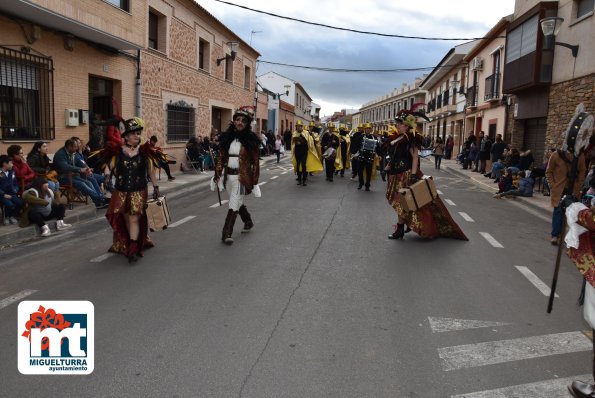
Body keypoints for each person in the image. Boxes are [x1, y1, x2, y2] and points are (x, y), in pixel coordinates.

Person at [384, 110, 467, 241]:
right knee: (401, 204)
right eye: (397, 123)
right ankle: (404, 225)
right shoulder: (396, 138)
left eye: (400, 124)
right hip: (395, 174)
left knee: (402, 204)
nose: (397, 126)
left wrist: (412, 175)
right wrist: (388, 167)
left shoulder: (411, 139)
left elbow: (415, 157)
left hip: (405, 175)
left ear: (406, 126)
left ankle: (400, 229)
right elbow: (394, 156)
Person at [92, 117, 161, 263]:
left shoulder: (144, 152)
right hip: (121, 191)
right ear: (127, 136)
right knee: (124, 218)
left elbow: (151, 172)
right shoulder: (117, 153)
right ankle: (128, 242)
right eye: (134, 133)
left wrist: (156, 187)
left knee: (134, 218)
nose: (138, 135)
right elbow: (108, 167)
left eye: (138, 133)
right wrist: (106, 178)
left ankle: (132, 249)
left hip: (138, 190)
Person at [214, 106, 261, 245]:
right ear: (234, 121)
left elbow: (256, 162)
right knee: (238, 201)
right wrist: (217, 174)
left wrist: (255, 181)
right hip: (228, 177)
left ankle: (226, 233)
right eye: (238, 119)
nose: (240, 122)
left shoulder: (250, 141)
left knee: (233, 203)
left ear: (247, 124)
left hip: (242, 177)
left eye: (243, 121)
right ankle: (248, 221)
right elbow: (221, 158)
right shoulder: (227, 138)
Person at [54, 139, 107, 209]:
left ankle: (98, 203)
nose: (76, 148)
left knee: (88, 182)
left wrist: (87, 169)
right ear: (69, 147)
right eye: (75, 147)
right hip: (63, 177)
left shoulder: (72, 153)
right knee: (82, 184)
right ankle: (100, 199)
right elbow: (65, 166)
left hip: (73, 176)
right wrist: (80, 169)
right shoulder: (60, 154)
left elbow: (80, 163)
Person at [0, 155, 24, 225]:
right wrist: (3, 195)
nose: (12, 165)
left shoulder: (11, 172)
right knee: (10, 204)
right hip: (2, 195)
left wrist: (15, 190)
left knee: (20, 203)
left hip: (12, 193)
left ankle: (12, 216)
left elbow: (15, 183)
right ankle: (6, 217)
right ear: (4, 164)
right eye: (11, 163)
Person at [357, 124, 378, 191]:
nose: (368, 130)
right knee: (360, 170)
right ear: (365, 130)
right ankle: (361, 183)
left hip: (370, 156)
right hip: (362, 155)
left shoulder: (374, 137)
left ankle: (367, 185)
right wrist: (355, 153)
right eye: (366, 129)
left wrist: (379, 154)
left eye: (369, 129)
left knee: (369, 171)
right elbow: (356, 145)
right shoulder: (361, 136)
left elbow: (377, 147)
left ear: (371, 130)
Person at [292, 120, 309, 186]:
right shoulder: (294, 133)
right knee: (298, 165)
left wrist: (301, 142)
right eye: (297, 126)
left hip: (304, 152)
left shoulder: (306, 133)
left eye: (300, 126)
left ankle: (304, 180)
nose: (298, 127)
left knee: (304, 165)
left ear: (302, 127)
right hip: (297, 152)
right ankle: (299, 179)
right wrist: (296, 143)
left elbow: (308, 143)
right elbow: (292, 143)